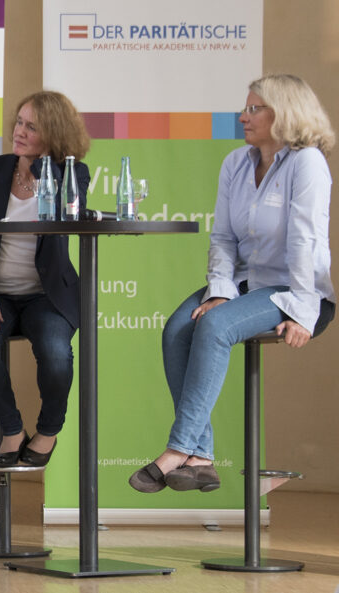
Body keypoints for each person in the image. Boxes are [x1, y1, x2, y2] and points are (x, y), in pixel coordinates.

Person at [130, 74, 336, 494]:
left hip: (293, 290)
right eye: (246, 108)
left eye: (254, 109)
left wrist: (304, 311)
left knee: (215, 326)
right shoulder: (236, 164)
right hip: (243, 282)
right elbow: (223, 238)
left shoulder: (307, 162)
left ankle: (178, 449)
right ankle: (201, 458)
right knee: (177, 328)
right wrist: (221, 290)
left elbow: (305, 240)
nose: (243, 116)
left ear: (284, 113)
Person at [0, 91, 90, 468]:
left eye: (32, 127)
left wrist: (43, 167)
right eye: (19, 122)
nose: (19, 132)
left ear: (53, 134)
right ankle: (12, 428)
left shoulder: (72, 173)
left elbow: (69, 214)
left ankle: (48, 431)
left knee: (56, 354)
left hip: (47, 296)